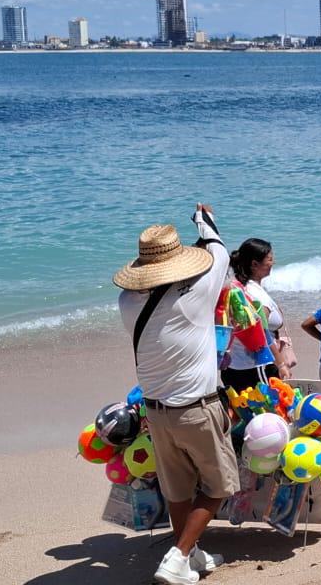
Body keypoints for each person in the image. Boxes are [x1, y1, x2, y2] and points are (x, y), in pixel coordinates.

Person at [115, 204, 237, 585]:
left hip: (157, 413)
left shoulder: (127, 304)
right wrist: (204, 221)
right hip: (197, 409)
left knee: (179, 492)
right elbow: (219, 251)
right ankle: (177, 556)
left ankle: (193, 554)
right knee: (220, 487)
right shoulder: (195, 295)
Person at [222, 238, 294, 393]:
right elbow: (262, 334)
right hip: (255, 367)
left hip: (235, 365)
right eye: (269, 259)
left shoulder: (239, 288)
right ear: (254, 264)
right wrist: (281, 364)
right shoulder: (255, 295)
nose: (273, 262)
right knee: (269, 413)